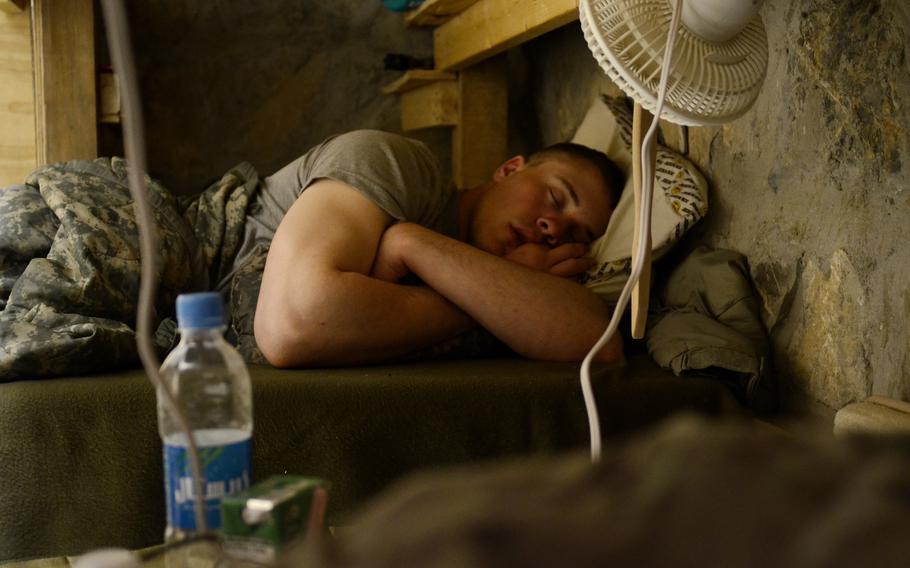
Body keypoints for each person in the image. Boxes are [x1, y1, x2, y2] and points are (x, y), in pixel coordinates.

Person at [248, 129, 625, 367]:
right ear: (509, 169)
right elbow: (294, 324)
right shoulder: (396, 164)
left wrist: (412, 246)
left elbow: (599, 343)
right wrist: (498, 296)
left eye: (576, 235)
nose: (553, 228)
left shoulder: (534, 269)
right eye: (556, 198)